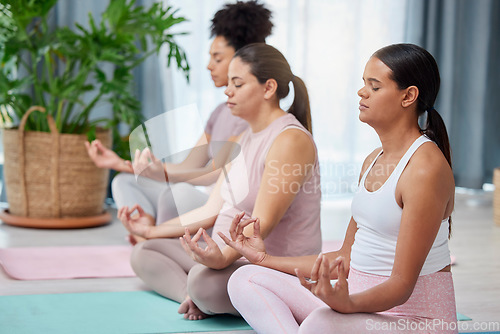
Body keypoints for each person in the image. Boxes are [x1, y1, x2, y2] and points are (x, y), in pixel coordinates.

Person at [223, 43, 457, 334]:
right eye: (363, 84)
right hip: (357, 305)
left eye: (374, 86)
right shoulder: (374, 160)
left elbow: (401, 285)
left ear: (408, 96)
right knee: (246, 278)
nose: (362, 92)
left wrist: (344, 304)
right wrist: (264, 259)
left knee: (320, 323)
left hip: (412, 320)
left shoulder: (425, 169)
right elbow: (345, 258)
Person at [126, 43, 322, 321]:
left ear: (268, 88)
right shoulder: (243, 139)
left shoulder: (290, 140)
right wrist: (148, 231)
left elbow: (261, 225)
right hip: (228, 257)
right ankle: (192, 298)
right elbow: (211, 209)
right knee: (145, 251)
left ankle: (200, 294)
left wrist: (220, 259)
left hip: (272, 268)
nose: (227, 91)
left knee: (203, 280)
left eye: (237, 83)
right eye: (228, 83)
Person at [85, 1, 273, 243]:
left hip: (227, 214)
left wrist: (161, 173)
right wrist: (121, 164)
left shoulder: (251, 117)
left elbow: (209, 176)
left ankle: (154, 242)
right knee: (125, 183)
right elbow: (188, 166)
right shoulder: (219, 112)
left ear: (243, 59)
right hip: (205, 206)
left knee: (179, 193)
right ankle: (149, 235)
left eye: (217, 58)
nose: (208, 66)